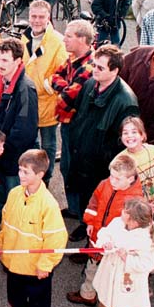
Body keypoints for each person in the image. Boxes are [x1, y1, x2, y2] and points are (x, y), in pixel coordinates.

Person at [0, 149, 67, 307]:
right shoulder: (14, 193)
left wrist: (45, 264)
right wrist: (0, 245)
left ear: (40, 174)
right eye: (20, 170)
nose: (20, 175)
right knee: (14, 292)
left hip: (36, 268)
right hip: (13, 262)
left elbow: (56, 239)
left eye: (25, 172)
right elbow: (6, 223)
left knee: (39, 300)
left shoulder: (48, 204)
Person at [65, 45, 138, 242]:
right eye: (94, 65)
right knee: (83, 195)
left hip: (99, 166)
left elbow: (124, 142)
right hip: (81, 155)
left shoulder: (126, 101)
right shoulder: (90, 84)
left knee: (98, 202)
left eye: (100, 68)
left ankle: (92, 241)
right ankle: (83, 221)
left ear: (115, 70)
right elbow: (79, 115)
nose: (94, 70)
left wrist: (101, 158)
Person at [66, 154, 144, 307]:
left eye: (117, 179)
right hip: (96, 236)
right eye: (111, 176)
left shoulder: (135, 201)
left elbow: (133, 229)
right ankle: (88, 294)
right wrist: (90, 221)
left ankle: (107, 300)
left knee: (110, 274)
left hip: (114, 248)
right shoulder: (105, 184)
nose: (112, 181)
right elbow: (94, 202)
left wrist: (115, 244)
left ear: (130, 178)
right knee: (92, 267)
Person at [93, 197, 154, 307]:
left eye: (125, 211)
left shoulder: (145, 239)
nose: (121, 212)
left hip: (128, 281)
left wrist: (127, 258)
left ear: (134, 221)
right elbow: (105, 233)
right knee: (115, 303)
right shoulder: (118, 223)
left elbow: (148, 264)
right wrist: (105, 243)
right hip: (112, 274)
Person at [0, 38, 39, 213]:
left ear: (17, 61)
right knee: (0, 198)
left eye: (5, 60)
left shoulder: (25, 89)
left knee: (14, 201)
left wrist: (1, 149)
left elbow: (25, 131)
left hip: (13, 158)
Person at [52, 20, 96, 217]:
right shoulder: (72, 59)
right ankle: (73, 207)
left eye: (69, 36)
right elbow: (55, 76)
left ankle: (81, 213)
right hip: (68, 124)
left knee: (75, 169)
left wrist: (62, 90)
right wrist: (65, 87)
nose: (65, 39)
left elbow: (67, 98)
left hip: (78, 126)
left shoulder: (89, 66)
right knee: (66, 167)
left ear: (83, 40)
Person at [21, 1, 68, 182]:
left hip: (48, 101)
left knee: (48, 143)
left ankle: (45, 178)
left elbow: (63, 70)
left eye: (41, 17)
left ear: (48, 18)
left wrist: (46, 86)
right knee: (31, 141)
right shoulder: (24, 38)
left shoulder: (57, 41)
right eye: (33, 16)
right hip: (28, 100)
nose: (37, 21)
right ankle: (31, 174)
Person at [116, 116, 154, 206]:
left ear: (143, 135)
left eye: (134, 132)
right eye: (125, 133)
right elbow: (120, 191)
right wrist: (143, 205)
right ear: (121, 137)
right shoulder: (120, 160)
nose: (130, 136)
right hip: (135, 208)